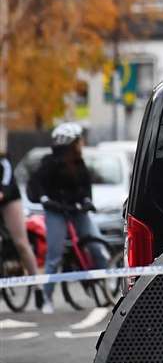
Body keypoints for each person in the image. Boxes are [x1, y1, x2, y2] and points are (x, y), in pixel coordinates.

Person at [27, 124, 110, 313]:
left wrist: (88, 201)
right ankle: (47, 299)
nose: (82, 144)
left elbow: (86, 186)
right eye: (78, 141)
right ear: (69, 143)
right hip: (57, 211)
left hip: (77, 210)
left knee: (98, 246)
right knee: (54, 257)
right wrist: (46, 200)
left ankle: (107, 288)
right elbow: (37, 186)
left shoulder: (79, 163)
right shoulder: (48, 164)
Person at [0, 151, 43, 309]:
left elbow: (6, 170)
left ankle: (37, 286)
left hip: (8, 196)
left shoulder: (3, 159)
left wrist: (3, 190)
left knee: (21, 243)